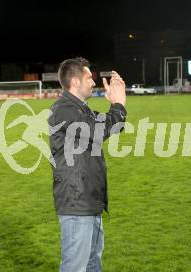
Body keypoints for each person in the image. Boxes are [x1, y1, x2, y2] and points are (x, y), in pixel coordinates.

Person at [48, 57, 127, 272]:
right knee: (75, 267)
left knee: (93, 265)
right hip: (77, 202)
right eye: (88, 78)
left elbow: (111, 126)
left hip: (89, 200)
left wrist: (116, 106)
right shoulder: (64, 109)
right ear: (75, 81)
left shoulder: (81, 109)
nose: (93, 82)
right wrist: (118, 105)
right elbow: (102, 129)